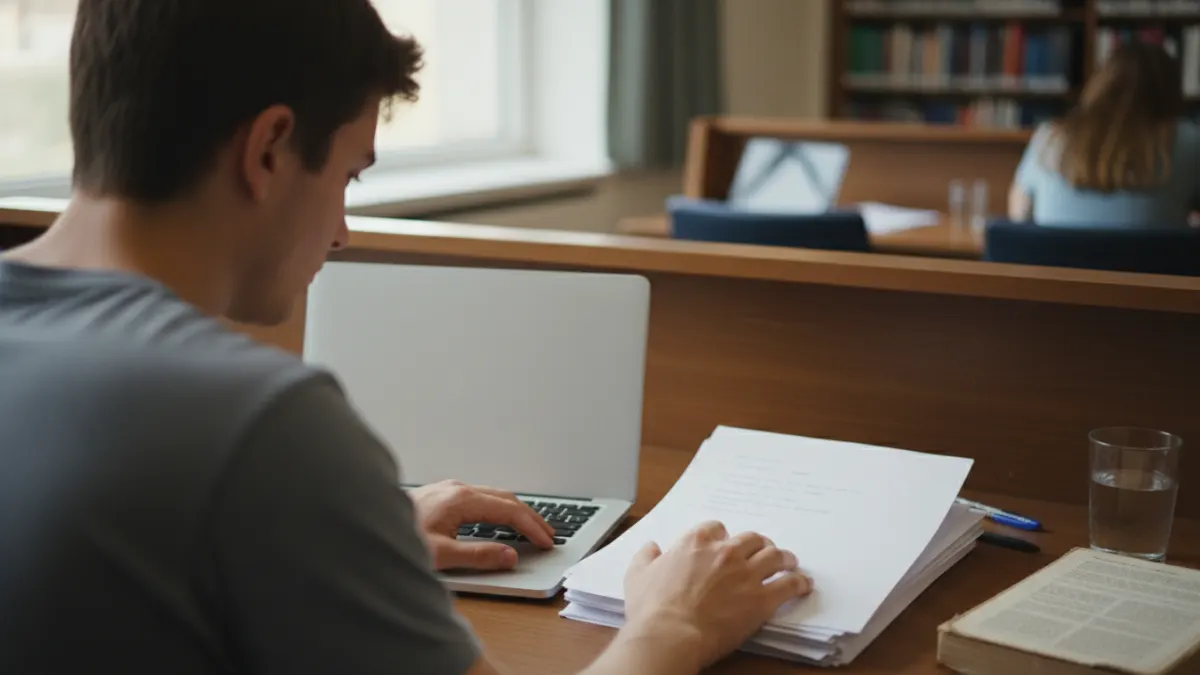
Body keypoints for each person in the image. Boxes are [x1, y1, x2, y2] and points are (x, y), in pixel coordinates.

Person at [0, 1, 813, 674]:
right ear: (270, 149)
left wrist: (345, 529)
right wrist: (672, 624)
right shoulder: (259, 423)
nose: (344, 232)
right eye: (350, 175)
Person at [1008, 41, 1200, 228]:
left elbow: (1018, 215)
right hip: (1151, 261)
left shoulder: (1050, 138)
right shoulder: (1190, 142)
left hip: (1054, 260)